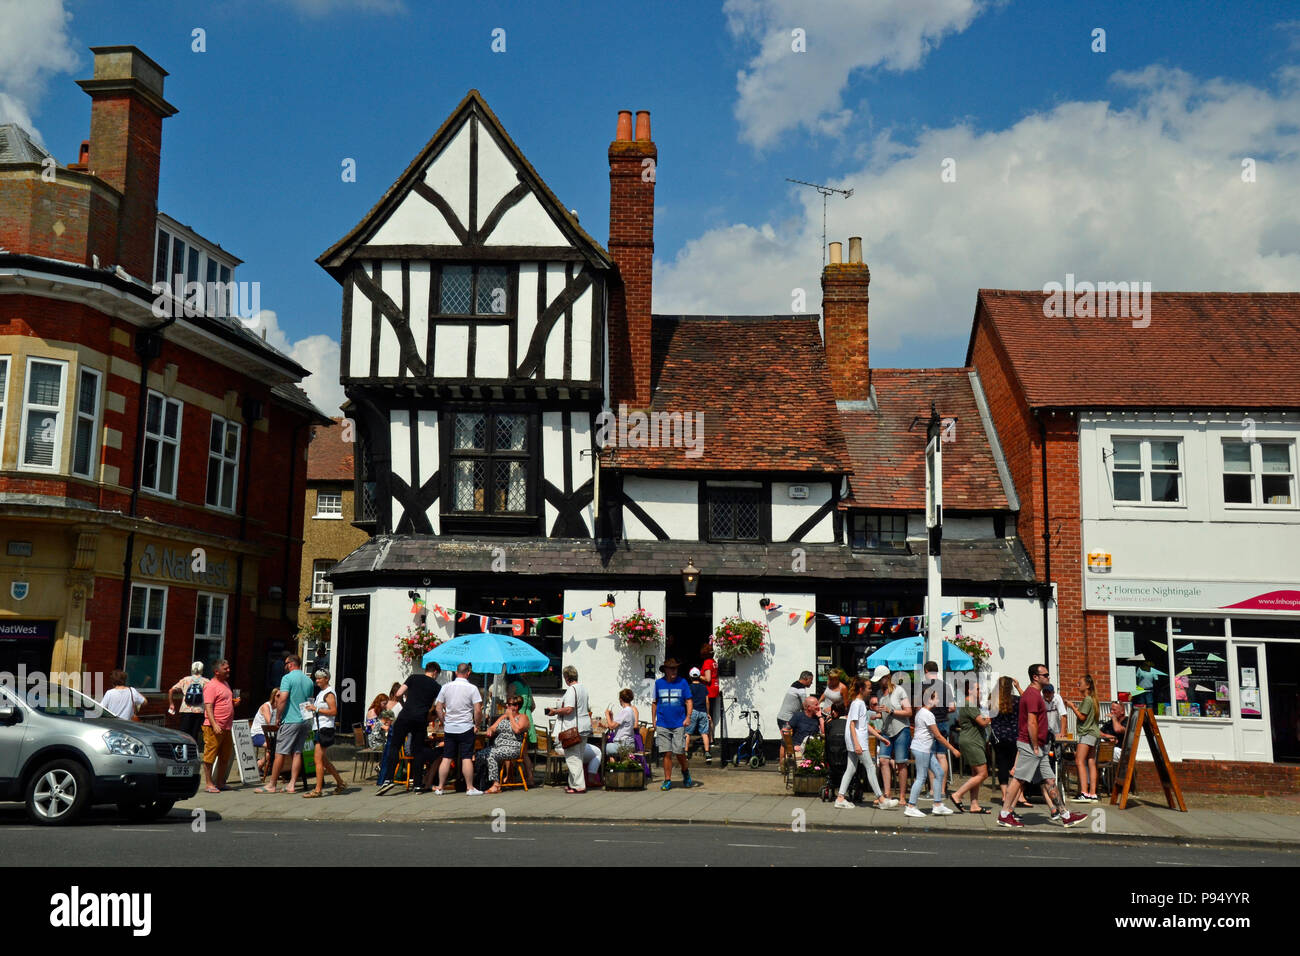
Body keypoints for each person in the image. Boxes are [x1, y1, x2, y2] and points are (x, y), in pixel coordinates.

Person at [996, 664, 1088, 829]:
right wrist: (1035, 745)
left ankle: (1065, 815)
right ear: (1035, 677)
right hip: (1032, 745)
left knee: (1050, 780)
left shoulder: (1035, 694)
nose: (1048, 677)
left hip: (1040, 746)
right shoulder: (1032, 695)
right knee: (1018, 779)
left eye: (1048, 674)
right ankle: (1004, 814)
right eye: (1045, 675)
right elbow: (1031, 723)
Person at [377, 660, 442, 794]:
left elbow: (399, 694)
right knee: (417, 750)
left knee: (395, 746)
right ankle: (418, 785)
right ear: (435, 672)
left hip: (405, 716)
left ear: (427, 669)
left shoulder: (413, 678)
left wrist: (405, 705)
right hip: (420, 719)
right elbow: (437, 705)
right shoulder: (436, 686)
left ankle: (389, 779)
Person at [255, 654, 314, 794]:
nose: (285, 666)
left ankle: (272, 784)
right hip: (305, 721)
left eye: (285, 664)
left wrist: (278, 717)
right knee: (297, 752)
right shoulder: (309, 680)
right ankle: (291, 784)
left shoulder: (287, 678)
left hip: (290, 720)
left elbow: (283, 699)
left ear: (290, 664)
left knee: (280, 752)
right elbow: (310, 702)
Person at [904, 688, 960, 817]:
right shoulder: (927, 715)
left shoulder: (921, 712)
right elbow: (939, 736)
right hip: (922, 749)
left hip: (924, 749)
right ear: (929, 699)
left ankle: (938, 804)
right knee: (921, 777)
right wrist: (953, 749)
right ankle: (911, 806)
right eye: (936, 697)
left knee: (939, 773)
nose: (939, 700)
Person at [835, 677, 889, 809]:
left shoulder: (858, 704)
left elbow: (864, 724)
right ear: (861, 689)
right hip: (858, 741)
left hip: (856, 740)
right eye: (869, 687)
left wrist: (879, 737)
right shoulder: (857, 704)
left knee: (851, 768)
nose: (871, 690)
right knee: (870, 767)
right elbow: (852, 725)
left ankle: (840, 798)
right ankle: (881, 799)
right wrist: (857, 744)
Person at [435, 662, 484, 796]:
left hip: (450, 727)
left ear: (456, 672)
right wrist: (477, 725)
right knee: (466, 757)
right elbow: (478, 710)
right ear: (468, 673)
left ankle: (440, 787)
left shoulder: (446, 687)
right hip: (466, 726)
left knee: (447, 757)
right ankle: (469, 788)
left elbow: (438, 707)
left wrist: (443, 722)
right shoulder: (472, 688)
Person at [546, 665, 593, 794]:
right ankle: (573, 784)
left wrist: (555, 711)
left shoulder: (572, 690)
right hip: (584, 727)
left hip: (573, 728)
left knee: (573, 757)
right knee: (579, 756)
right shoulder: (583, 688)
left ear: (566, 677)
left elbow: (569, 709)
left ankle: (579, 786)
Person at [302, 669, 348, 798]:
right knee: (323, 760)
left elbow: (333, 711)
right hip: (319, 727)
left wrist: (316, 709)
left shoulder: (329, 693)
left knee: (317, 759)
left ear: (326, 679)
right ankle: (340, 782)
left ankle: (318, 790)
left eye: (320, 678)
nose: (317, 681)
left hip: (325, 728)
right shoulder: (321, 693)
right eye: (316, 678)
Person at [652, 658, 694, 791]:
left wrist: (688, 717)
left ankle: (685, 771)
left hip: (678, 723)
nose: (674, 670)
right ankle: (667, 780)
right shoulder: (658, 683)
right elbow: (654, 702)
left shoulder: (683, 682)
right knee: (666, 753)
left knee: (679, 751)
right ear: (665, 670)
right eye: (671, 668)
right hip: (663, 723)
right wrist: (653, 719)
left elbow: (689, 701)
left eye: (675, 668)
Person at [948, 684, 992, 813]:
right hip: (972, 742)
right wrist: (993, 713)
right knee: (983, 774)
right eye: (978, 689)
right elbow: (983, 722)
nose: (980, 691)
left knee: (976, 774)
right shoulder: (969, 705)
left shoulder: (970, 705)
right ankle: (957, 794)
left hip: (973, 740)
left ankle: (974, 804)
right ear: (969, 690)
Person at [990, 676, 1030, 812]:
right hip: (1014, 736)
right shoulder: (1017, 700)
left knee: (1002, 765)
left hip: (998, 737)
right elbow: (1028, 701)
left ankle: (1004, 795)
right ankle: (1019, 796)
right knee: (1016, 766)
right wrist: (1019, 687)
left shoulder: (993, 700)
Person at [480, 695, 530, 794]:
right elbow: (493, 727)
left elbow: (517, 729)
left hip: (513, 748)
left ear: (516, 706)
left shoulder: (523, 717)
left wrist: (510, 716)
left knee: (491, 754)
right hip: (498, 746)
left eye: (510, 705)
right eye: (507, 704)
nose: (507, 707)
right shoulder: (503, 717)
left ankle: (496, 785)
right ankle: (481, 782)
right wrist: (490, 729)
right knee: (480, 754)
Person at [876, 668, 911, 806]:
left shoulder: (899, 691)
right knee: (883, 760)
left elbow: (908, 712)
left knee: (901, 762)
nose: (879, 682)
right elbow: (884, 713)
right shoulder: (879, 693)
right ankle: (887, 794)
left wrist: (890, 711)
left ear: (887, 677)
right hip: (886, 730)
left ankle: (902, 796)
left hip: (901, 729)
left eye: (881, 679)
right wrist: (877, 714)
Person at [1065, 674, 1102, 801]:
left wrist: (1072, 707)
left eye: (1080, 682)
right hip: (1094, 733)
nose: (1077, 684)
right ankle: (1092, 793)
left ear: (1088, 685)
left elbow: (1082, 717)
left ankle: (1084, 792)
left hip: (1086, 733)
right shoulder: (1093, 699)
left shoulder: (1087, 700)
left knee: (1079, 761)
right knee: (1091, 762)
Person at [201, 659, 234, 793]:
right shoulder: (211, 686)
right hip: (214, 726)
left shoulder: (225, 683)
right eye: (225, 669)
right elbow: (208, 706)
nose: (228, 670)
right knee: (210, 756)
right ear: (216, 671)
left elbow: (225, 701)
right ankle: (209, 783)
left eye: (228, 668)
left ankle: (220, 782)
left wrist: (233, 703)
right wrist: (214, 724)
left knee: (225, 756)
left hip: (226, 727)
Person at [168, 662, 208, 747]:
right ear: (202, 670)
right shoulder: (206, 681)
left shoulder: (185, 679)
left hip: (186, 710)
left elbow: (171, 690)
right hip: (199, 710)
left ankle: (182, 749)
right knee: (194, 733)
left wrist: (171, 704)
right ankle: (192, 750)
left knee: (184, 733)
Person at [776, 670, 814, 761]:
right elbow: (806, 705)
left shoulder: (795, 685)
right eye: (811, 680)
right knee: (786, 742)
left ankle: (786, 764)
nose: (812, 683)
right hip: (786, 719)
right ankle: (782, 764)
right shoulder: (800, 689)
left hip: (783, 717)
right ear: (806, 678)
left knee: (787, 741)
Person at [683, 667, 712, 762]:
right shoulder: (704, 687)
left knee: (687, 733)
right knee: (704, 733)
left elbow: (686, 701)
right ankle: (707, 753)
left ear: (690, 677)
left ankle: (686, 753)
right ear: (699, 676)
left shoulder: (688, 687)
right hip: (703, 711)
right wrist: (708, 713)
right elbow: (707, 701)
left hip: (693, 711)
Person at [605, 689, 639, 758]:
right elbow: (616, 725)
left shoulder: (625, 711)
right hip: (630, 744)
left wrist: (607, 715)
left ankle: (609, 768)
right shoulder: (631, 710)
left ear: (621, 700)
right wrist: (611, 717)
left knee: (601, 747)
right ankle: (613, 767)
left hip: (623, 745)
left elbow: (611, 727)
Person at [249, 688, 276, 775]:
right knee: (274, 746)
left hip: (269, 734)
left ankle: (267, 765)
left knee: (278, 745)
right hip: (257, 734)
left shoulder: (280, 707)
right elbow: (270, 722)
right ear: (273, 696)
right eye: (278, 695)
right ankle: (259, 764)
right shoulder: (266, 706)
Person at [699, 642, 719, 737]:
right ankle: (710, 737)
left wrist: (697, 675)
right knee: (711, 714)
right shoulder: (713, 662)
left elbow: (708, 679)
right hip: (714, 689)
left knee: (708, 715)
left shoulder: (707, 662)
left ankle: (709, 738)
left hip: (708, 691)